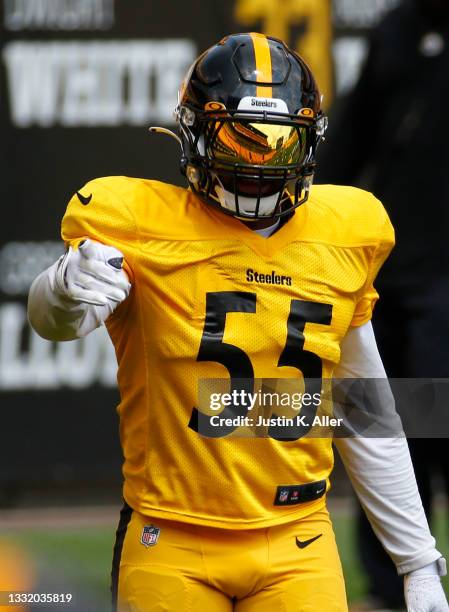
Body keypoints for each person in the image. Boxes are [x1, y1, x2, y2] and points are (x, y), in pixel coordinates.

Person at [27, 33, 448, 612]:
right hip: (171, 535)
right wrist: (61, 287)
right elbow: (59, 323)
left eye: (279, 145)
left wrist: (418, 560)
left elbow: (365, 409)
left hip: (298, 536)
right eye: (239, 141)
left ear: (309, 144)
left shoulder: (343, 235)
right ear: (196, 132)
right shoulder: (140, 225)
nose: (258, 166)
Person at [317, 0, 449, 608]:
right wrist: (308, 222)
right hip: (387, 276)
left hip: (443, 286)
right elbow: (349, 139)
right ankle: (384, 586)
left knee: (433, 424)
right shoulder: (397, 28)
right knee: (379, 424)